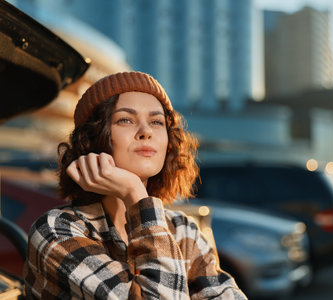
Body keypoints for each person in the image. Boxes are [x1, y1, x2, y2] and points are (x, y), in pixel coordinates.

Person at [23, 72, 247, 299]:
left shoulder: (183, 230)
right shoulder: (57, 230)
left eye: (156, 122)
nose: (146, 132)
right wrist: (134, 192)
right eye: (125, 120)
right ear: (92, 139)